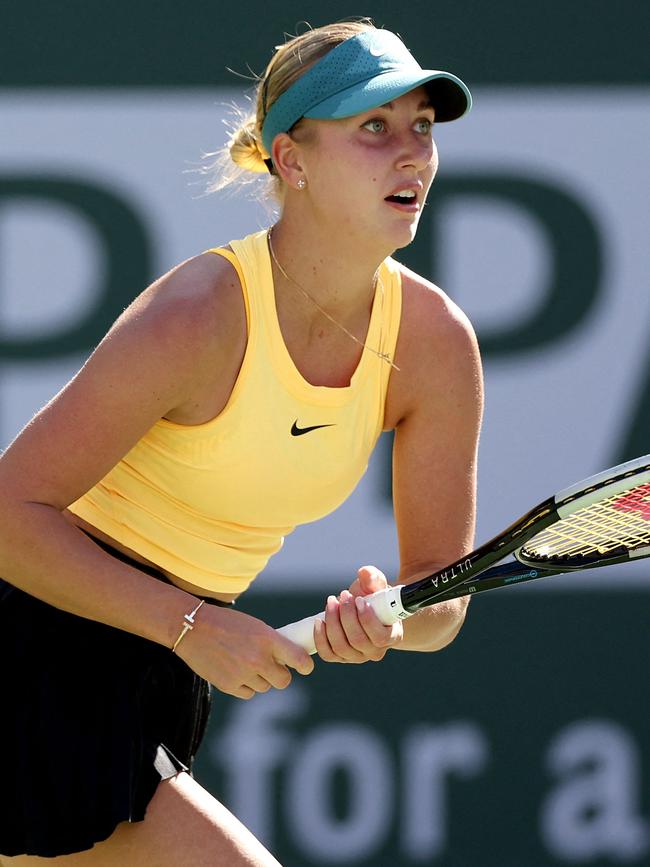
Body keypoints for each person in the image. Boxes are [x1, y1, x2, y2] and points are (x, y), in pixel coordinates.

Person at [0, 18, 483, 867]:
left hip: (151, 671)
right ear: (290, 160)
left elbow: (440, 602)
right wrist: (189, 623)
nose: (410, 151)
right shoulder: (198, 315)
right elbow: (8, 514)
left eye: (422, 127)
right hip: (32, 645)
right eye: (373, 126)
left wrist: (382, 620)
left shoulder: (436, 345)